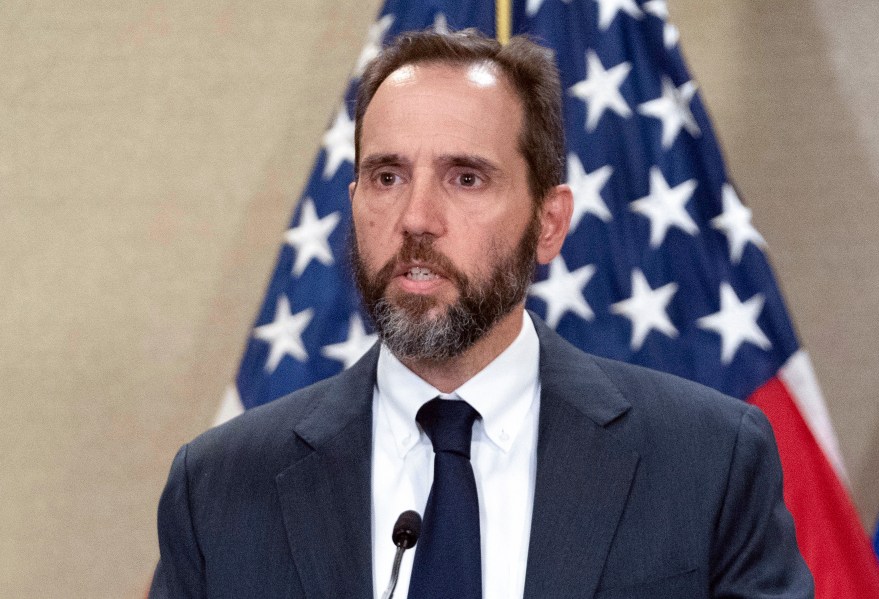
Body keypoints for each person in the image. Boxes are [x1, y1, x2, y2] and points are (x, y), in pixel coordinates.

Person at [151, 29, 813, 599]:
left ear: (549, 223)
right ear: (353, 202)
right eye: (387, 176)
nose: (415, 218)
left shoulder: (707, 461)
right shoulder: (217, 488)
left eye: (465, 177)